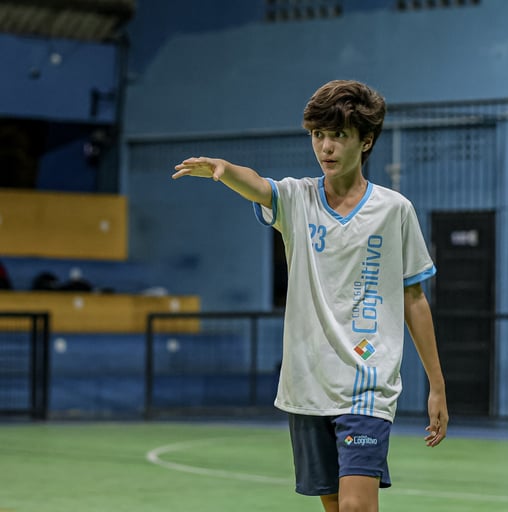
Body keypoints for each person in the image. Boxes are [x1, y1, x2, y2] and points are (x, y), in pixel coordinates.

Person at [173, 79, 449, 511]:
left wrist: (437, 384)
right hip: (307, 384)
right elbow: (258, 185)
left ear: (366, 140)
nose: (326, 147)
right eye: (318, 135)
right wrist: (224, 169)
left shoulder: (394, 209)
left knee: (357, 506)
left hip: (367, 382)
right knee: (335, 506)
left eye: (339, 135)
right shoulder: (297, 199)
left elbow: (414, 298)